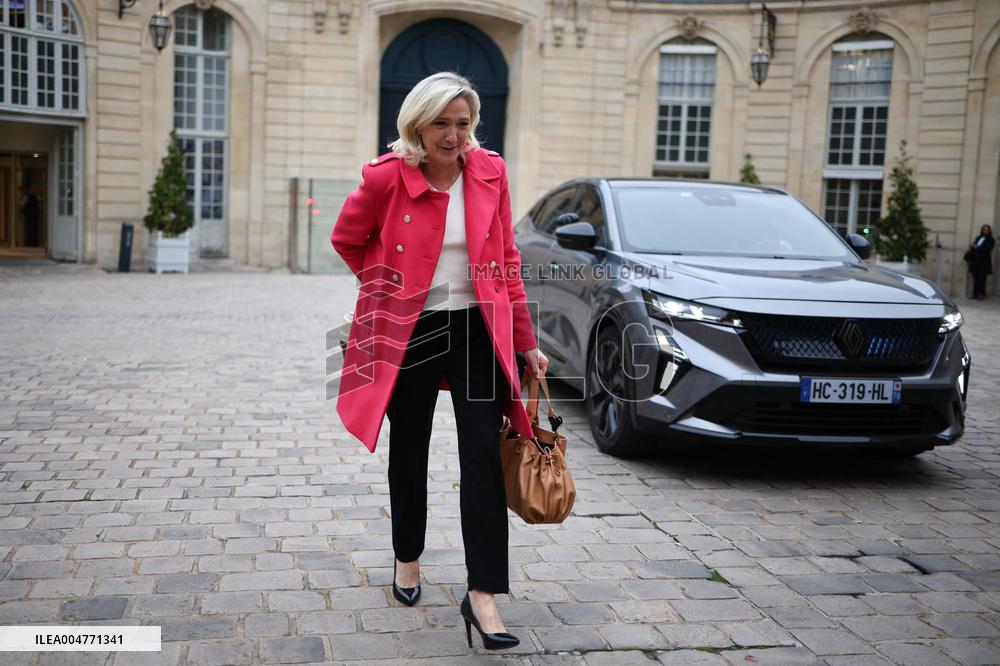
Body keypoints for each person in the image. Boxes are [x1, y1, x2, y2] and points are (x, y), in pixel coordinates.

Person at [330, 72, 548, 651]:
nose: (454, 137)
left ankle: (483, 594)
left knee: (482, 451)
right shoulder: (385, 178)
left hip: (478, 328)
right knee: (410, 449)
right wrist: (387, 290)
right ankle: (408, 556)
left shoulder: (490, 172)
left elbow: (505, 258)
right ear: (416, 126)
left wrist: (526, 341)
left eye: (463, 123)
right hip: (411, 330)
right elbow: (347, 238)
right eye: (442, 125)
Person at [968, 224, 995, 300]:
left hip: (984, 262)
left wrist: (978, 248)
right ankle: (974, 294)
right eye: (984, 229)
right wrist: (973, 246)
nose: (985, 231)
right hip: (976, 261)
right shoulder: (978, 237)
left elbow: (988, 249)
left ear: (989, 231)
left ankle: (981, 294)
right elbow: (973, 246)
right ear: (982, 230)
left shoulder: (991, 239)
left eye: (987, 229)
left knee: (982, 279)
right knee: (975, 278)